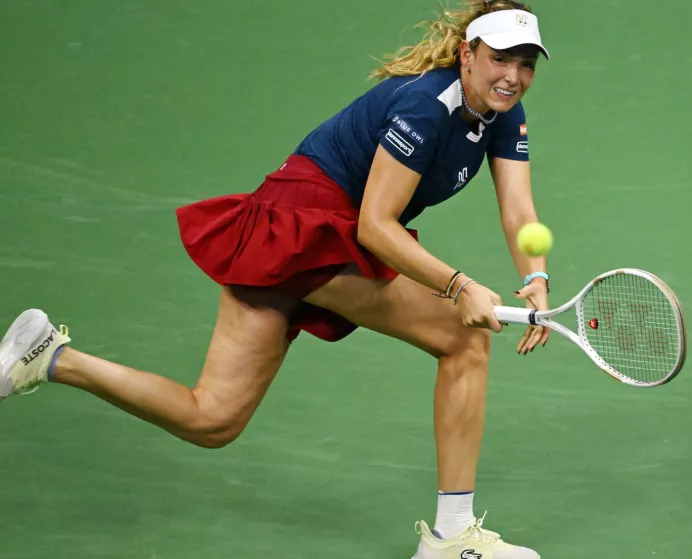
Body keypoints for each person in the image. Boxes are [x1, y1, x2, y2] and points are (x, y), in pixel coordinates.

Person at [0, 0, 552, 557]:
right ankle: (452, 537)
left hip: (286, 225)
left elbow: (519, 210)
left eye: (526, 63)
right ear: (468, 54)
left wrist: (536, 276)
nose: (513, 76)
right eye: (500, 58)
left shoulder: (505, 115)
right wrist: (459, 287)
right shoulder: (426, 108)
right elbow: (376, 228)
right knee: (463, 337)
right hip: (303, 225)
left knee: (212, 418)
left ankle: (50, 357)